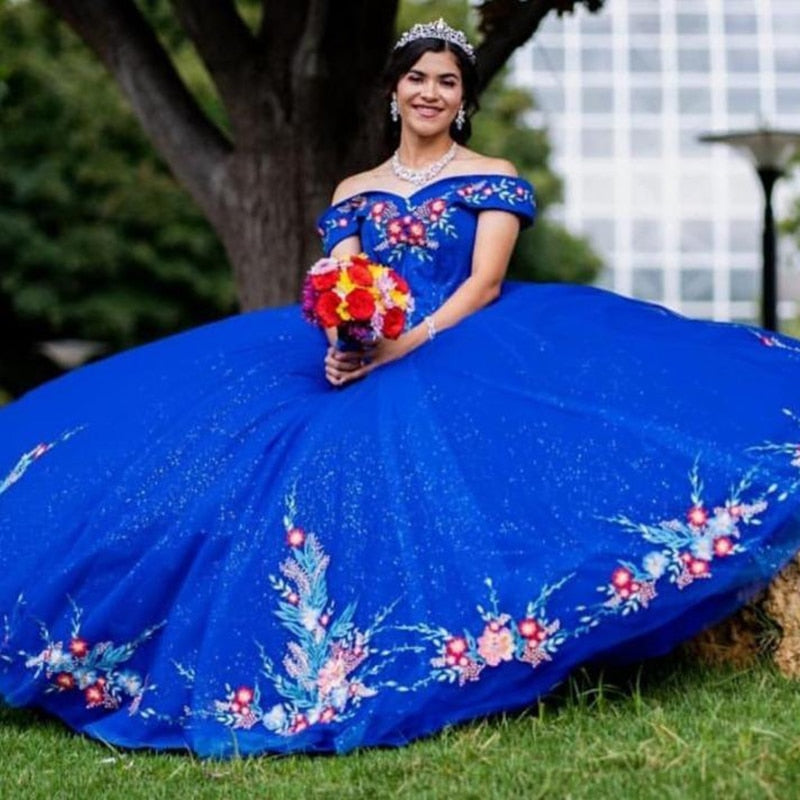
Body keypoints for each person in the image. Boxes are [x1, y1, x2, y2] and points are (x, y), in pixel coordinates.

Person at [1, 19, 800, 758]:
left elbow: (484, 285)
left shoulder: (492, 177)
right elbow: (338, 280)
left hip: (460, 342)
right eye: (417, 77)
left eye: (447, 81)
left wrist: (402, 345)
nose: (430, 91)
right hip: (364, 350)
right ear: (393, 90)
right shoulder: (354, 189)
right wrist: (344, 348)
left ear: (464, 98)